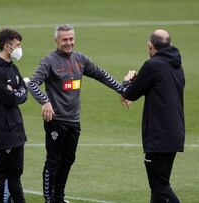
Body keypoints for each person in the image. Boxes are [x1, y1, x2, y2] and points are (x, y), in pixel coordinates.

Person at [26, 24, 129, 203]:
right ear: (56, 40)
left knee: (68, 160)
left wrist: (122, 90)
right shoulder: (49, 61)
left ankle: (58, 197)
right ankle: (49, 199)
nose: (68, 43)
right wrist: (45, 101)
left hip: (74, 120)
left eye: (71, 39)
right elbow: (33, 83)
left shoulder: (80, 59)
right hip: (56, 120)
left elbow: (101, 74)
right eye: (64, 39)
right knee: (53, 161)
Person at [121, 29, 185, 203]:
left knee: (159, 186)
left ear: (150, 45)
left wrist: (127, 80)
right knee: (159, 188)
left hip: (159, 135)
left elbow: (131, 93)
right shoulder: (177, 65)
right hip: (174, 133)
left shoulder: (153, 65)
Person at [0, 28, 27, 203]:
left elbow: (23, 91)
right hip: (3, 130)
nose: (20, 48)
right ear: (8, 46)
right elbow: (9, 99)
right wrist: (17, 93)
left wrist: (17, 93)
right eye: (18, 45)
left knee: (16, 174)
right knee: (2, 174)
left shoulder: (12, 68)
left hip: (17, 129)